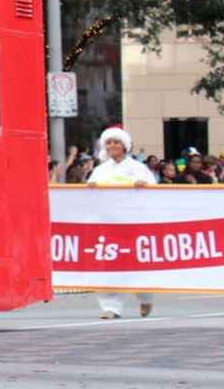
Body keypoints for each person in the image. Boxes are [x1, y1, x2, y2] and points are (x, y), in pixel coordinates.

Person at [87, 125, 155, 319]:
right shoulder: (100, 170)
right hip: (107, 224)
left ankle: (145, 298)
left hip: (133, 225)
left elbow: (154, 191)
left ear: (124, 146)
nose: (112, 145)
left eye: (116, 142)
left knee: (137, 265)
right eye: (108, 142)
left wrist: (145, 186)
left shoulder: (138, 168)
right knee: (108, 265)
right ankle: (111, 307)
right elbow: (89, 196)